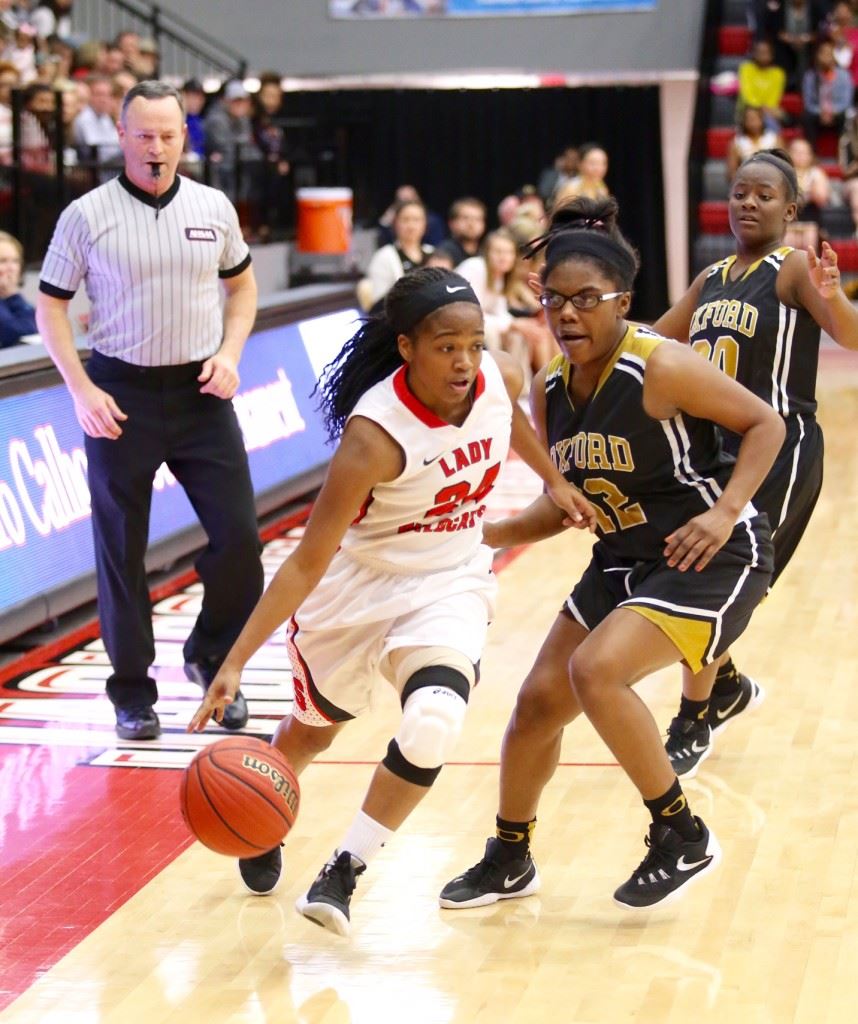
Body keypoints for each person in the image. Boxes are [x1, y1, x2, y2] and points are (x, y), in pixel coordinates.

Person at [187, 266, 597, 935]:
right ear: (407, 347)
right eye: (446, 347)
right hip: (360, 588)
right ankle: (265, 802)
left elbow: (509, 422)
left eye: (473, 343)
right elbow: (306, 561)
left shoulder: (498, 376)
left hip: (449, 579)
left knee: (435, 717)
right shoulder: (374, 436)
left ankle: (343, 871)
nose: (465, 361)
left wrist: (554, 481)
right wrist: (234, 661)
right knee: (312, 734)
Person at [438, 196, 785, 912]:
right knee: (536, 704)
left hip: (711, 551)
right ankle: (510, 854)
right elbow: (567, 506)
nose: (567, 314)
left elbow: (766, 424)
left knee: (595, 672)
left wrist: (724, 514)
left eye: (586, 300)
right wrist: (484, 534)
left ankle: (679, 832)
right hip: (624, 559)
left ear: (622, 302)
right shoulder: (551, 389)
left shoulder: (660, 366)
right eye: (554, 299)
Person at [36, 80, 263, 742]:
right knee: (121, 550)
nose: (156, 147)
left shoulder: (214, 207)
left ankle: (212, 655)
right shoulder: (86, 214)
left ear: (183, 138)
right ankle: (132, 693)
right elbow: (51, 305)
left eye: (168, 135)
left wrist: (230, 352)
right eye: (144, 135)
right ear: (122, 137)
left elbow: (243, 287)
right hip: (119, 394)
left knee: (242, 541)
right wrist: (80, 387)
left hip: (200, 392)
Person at [651, 148, 858, 778]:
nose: (748, 202)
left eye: (764, 194)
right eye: (740, 192)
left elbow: (850, 335)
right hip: (718, 452)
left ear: (791, 209)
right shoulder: (711, 278)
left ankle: (694, 716)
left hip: (781, 449)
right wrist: (573, 312)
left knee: (713, 572)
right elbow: (651, 344)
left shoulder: (792, 268)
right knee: (683, 564)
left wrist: (835, 296)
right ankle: (726, 682)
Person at [362, 197, 432, 307]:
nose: (411, 226)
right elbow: (379, 303)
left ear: (425, 224)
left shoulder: (433, 253)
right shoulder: (384, 256)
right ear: (395, 223)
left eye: (417, 220)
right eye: (405, 220)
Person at [801, 38, 854, 146]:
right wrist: (821, 112)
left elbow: (846, 101)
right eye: (822, 53)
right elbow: (808, 102)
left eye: (829, 54)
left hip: (837, 112)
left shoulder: (844, 75)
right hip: (818, 113)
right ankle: (812, 153)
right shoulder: (810, 76)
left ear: (834, 56)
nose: (826, 57)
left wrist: (832, 111)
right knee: (806, 117)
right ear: (817, 56)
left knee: (846, 117)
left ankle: (843, 152)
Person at [0, 230, 36, 346]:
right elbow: (15, 333)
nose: (11, 268)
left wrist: (12, 296)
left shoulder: (11, 299)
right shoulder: (11, 297)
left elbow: (38, 327)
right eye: (3, 261)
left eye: (15, 261)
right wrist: (12, 295)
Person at [433, 196, 486, 266]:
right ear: (452, 223)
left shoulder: (486, 252)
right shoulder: (443, 252)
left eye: (477, 219)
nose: (471, 224)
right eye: (465, 218)